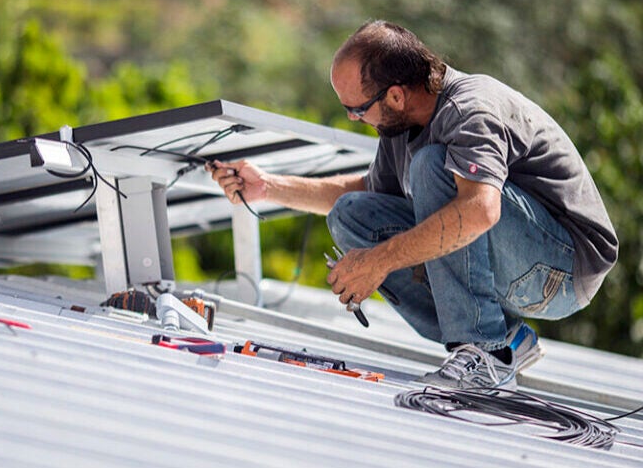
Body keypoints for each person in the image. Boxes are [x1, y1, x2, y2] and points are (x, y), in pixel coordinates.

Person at [207, 20, 618, 390]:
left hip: (562, 270)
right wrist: (269, 187)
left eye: (356, 109)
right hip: (512, 262)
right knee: (353, 215)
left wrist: (379, 262)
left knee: (432, 167)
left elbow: (481, 210)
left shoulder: (469, 110)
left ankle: (487, 352)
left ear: (397, 95)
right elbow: (372, 193)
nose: (352, 118)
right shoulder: (400, 126)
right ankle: (507, 340)